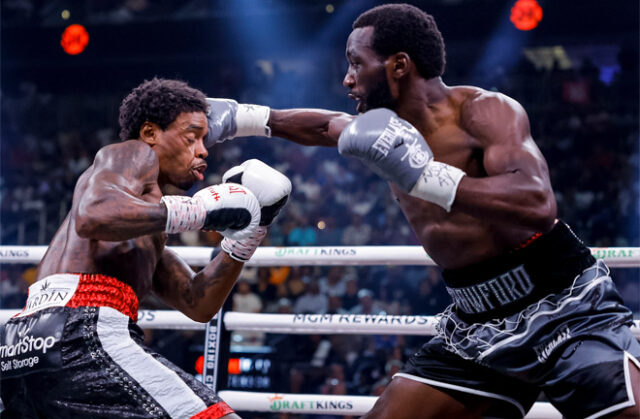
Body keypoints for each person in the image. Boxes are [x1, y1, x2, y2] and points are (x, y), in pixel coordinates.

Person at [203, 4, 640, 418]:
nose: (347, 80)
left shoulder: (484, 111)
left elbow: (536, 203)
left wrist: (426, 176)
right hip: (476, 326)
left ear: (398, 65)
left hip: (563, 308)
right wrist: (242, 117)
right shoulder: (382, 130)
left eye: (357, 63)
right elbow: (324, 125)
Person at [0, 78, 292, 418]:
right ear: (151, 133)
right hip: (80, 330)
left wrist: (246, 238)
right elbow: (92, 216)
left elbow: (197, 303)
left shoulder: (141, 236)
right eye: (191, 136)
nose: (203, 150)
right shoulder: (132, 153)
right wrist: (196, 212)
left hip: (23, 345)